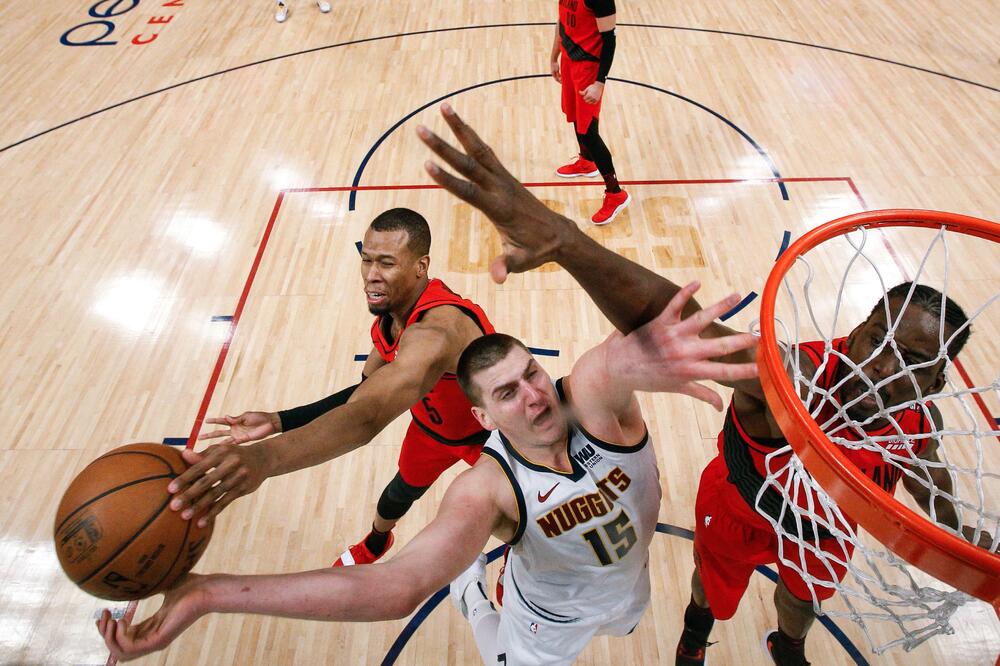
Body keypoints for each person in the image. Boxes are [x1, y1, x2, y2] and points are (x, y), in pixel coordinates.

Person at [411, 106, 994, 666]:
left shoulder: (919, 420)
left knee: (803, 599)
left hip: (825, 528)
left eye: (911, 360)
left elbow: (927, 467)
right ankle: (695, 634)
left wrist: (965, 533)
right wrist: (569, 243)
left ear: (938, 378)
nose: (881, 367)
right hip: (743, 504)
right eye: (875, 340)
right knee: (711, 593)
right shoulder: (794, 377)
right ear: (857, 330)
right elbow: (680, 322)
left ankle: (787, 648)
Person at [97, 278, 759, 664]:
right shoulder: (486, 488)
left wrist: (681, 345)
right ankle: (474, 589)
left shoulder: (593, 398)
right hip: (540, 626)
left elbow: (631, 352)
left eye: (530, 372)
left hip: (624, 591)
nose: (532, 394)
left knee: (623, 621)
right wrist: (209, 592)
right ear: (485, 417)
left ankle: (481, 575)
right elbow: (394, 588)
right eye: (506, 393)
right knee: (469, 595)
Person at [170, 208, 495, 567]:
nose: (371, 276)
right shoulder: (391, 319)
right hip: (432, 431)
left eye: (387, 263)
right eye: (367, 260)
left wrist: (264, 458)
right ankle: (376, 541)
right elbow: (363, 395)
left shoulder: (438, 331)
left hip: (494, 435)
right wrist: (280, 420)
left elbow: (366, 417)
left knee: (506, 514)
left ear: (421, 266)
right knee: (395, 497)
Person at [551, 0, 629, 225]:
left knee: (589, 132)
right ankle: (586, 162)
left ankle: (616, 194)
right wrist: (554, 56)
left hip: (589, 68)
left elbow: (609, 41)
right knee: (574, 116)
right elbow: (563, 20)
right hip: (569, 60)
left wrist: (599, 83)